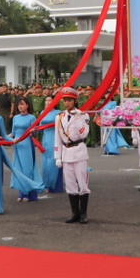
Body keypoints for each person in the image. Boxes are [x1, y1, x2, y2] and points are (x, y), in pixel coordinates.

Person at [55, 87, 91, 223]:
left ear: (75, 100)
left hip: (79, 151)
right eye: (65, 100)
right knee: (70, 185)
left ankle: (84, 213)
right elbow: (57, 138)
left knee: (82, 183)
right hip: (66, 152)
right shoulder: (59, 117)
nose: (67, 103)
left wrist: (77, 118)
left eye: (69, 100)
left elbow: (84, 133)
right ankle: (75, 213)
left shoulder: (83, 115)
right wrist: (57, 156)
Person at [8, 97, 44, 202]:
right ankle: (21, 192)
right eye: (19, 104)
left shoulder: (31, 117)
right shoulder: (15, 118)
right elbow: (13, 133)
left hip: (27, 145)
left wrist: (33, 131)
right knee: (18, 169)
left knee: (27, 168)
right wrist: (3, 138)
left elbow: (35, 132)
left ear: (27, 105)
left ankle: (28, 193)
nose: (20, 106)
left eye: (22, 104)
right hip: (17, 146)